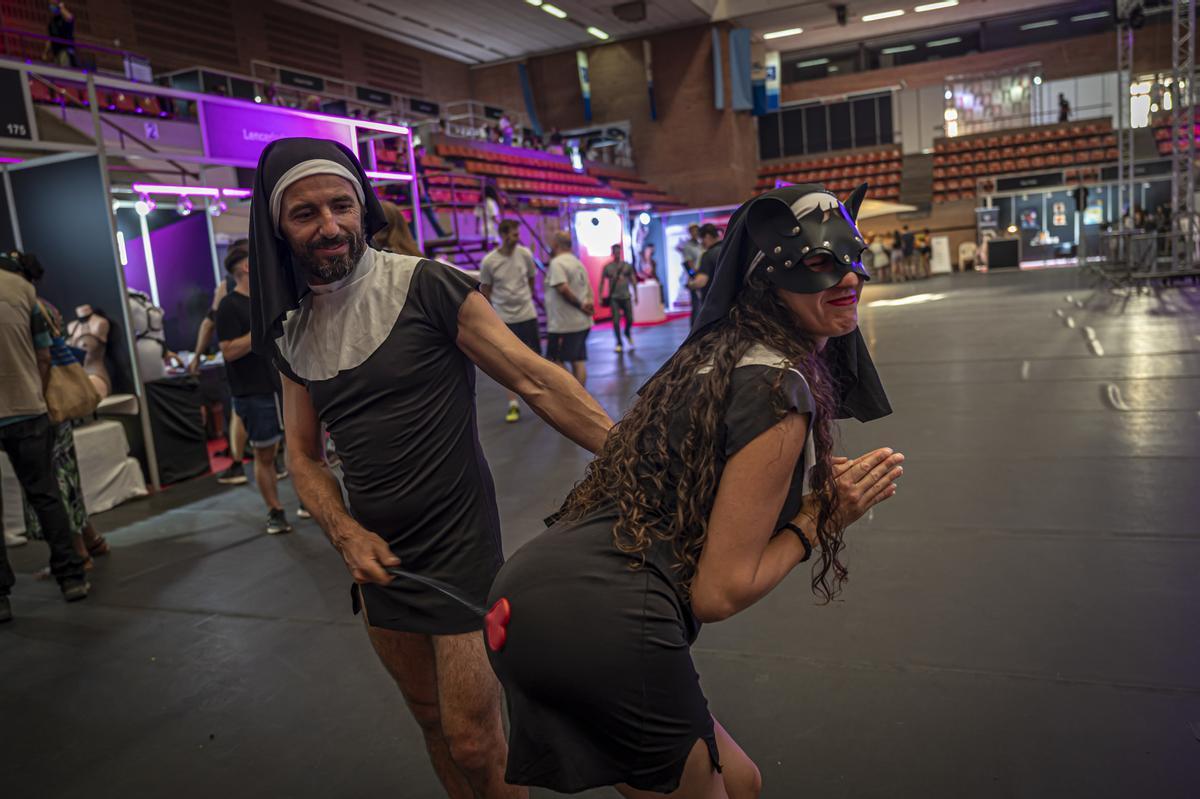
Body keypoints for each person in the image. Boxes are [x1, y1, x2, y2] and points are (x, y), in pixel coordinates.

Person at [485, 184, 898, 795]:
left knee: (744, 782)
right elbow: (718, 592)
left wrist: (801, 488)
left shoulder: (712, 359)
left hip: (527, 599)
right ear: (767, 281)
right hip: (607, 621)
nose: (848, 277)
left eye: (852, 256)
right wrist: (819, 519)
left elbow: (701, 477)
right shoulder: (778, 388)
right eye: (818, 262)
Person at [247, 137, 612, 799]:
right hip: (377, 555)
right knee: (430, 723)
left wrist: (629, 453)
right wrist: (344, 533)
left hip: (459, 543)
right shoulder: (291, 331)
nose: (329, 225)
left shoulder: (426, 286)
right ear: (279, 226)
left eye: (340, 206)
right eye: (305, 214)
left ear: (363, 209)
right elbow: (302, 454)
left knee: (474, 737)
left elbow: (535, 379)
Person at [0, 251, 90, 622]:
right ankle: (70, 575)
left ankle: (1, 598)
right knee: (45, 494)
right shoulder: (23, 291)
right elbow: (44, 354)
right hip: (27, 408)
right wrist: (32, 389)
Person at [12, 253, 109, 572]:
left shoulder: (28, 306)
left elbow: (40, 357)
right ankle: (90, 540)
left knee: (55, 478)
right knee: (65, 473)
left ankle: (79, 550)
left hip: (43, 402)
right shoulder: (43, 305)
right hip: (57, 403)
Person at [215, 247, 292, 536]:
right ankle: (275, 510)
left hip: (284, 386)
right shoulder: (229, 306)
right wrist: (261, 329)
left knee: (301, 449)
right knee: (265, 455)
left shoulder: (268, 299)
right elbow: (229, 351)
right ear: (246, 267)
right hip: (254, 392)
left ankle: (309, 501)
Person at [479, 220, 540, 422]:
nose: (517, 238)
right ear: (504, 236)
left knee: (535, 360)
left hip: (527, 314)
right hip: (505, 318)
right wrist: (494, 313)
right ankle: (513, 404)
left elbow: (531, 278)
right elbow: (486, 290)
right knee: (507, 364)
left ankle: (541, 401)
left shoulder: (525, 254)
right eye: (513, 234)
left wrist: (526, 297)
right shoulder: (489, 261)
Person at [545, 230, 594, 386]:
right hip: (581, 323)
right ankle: (581, 398)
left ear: (556, 244)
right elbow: (588, 289)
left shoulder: (557, 263)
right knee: (578, 360)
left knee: (554, 360)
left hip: (565, 324)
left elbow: (563, 289)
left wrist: (581, 306)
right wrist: (588, 306)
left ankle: (574, 395)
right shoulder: (577, 262)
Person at [599, 243, 636, 354]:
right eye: (615, 251)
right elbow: (602, 282)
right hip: (614, 298)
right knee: (615, 321)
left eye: (618, 251)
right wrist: (600, 295)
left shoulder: (626, 266)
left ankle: (627, 332)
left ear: (620, 252)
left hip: (626, 296)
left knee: (630, 319)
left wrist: (636, 293)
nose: (617, 253)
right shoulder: (608, 267)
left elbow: (633, 279)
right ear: (612, 253)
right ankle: (619, 342)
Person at [688, 223, 722, 327]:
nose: (702, 243)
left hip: (714, 305)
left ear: (707, 236)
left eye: (701, 239)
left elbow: (701, 281)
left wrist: (690, 284)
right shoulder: (728, 249)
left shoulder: (708, 255)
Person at [679, 223, 703, 327]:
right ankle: (694, 330)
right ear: (689, 232)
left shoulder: (700, 245)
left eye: (696, 230)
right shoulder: (688, 247)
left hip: (702, 277)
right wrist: (694, 276)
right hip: (694, 278)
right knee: (696, 305)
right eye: (693, 230)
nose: (695, 232)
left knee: (702, 305)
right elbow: (689, 264)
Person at [44, 2, 76, 68]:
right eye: (51, 5)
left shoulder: (64, 18)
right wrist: (45, 52)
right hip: (56, 52)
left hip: (65, 50)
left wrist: (61, 7)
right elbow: (50, 39)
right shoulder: (51, 23)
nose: (52, 7)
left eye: (53, 5)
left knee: (65, 70)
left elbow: (70, 17)